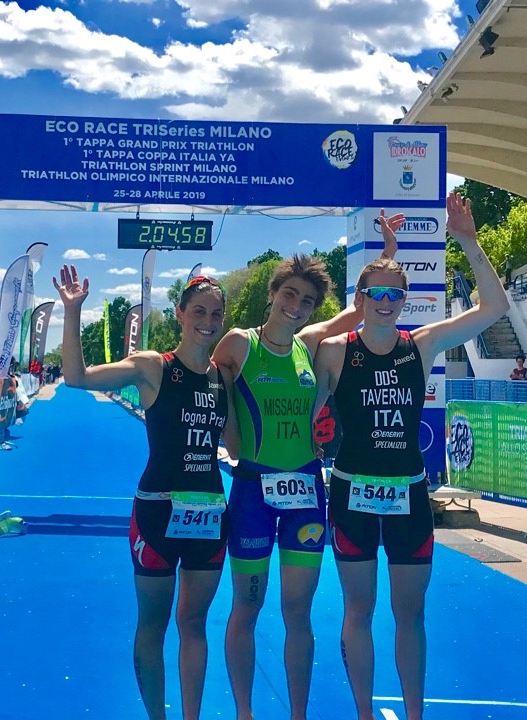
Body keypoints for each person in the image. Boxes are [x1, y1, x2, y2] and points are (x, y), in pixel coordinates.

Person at [312, 192, 508, 720]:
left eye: (394, 293)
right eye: (375, 292)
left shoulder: (420, 345)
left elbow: (494, 309)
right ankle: (363, 713)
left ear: (405, 299)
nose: (385, 301)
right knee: (358, 609)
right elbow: (305, 409)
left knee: (411, 614)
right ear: (360, 298)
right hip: (351, 495)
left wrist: (468, 241)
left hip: (409, 498)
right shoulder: (333, 352)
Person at [211, 208, 402, 720]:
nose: (296, 307)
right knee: (247, 606)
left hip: (306, 493)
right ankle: (245, 713)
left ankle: (297, 714)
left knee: (298, 612)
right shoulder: (239, 344)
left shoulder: (309, 345)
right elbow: (198, 381)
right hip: (251, 490)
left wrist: (389, 253)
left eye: (308, 301)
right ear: (273, 293)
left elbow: (362, 311)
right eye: (290, 295)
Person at [55, 266, 236, 720]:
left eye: (216, 313)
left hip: (210, 515)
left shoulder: (224, 378)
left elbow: (236, 444)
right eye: (198, 311)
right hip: (157, 515)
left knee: (194, 624)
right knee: (153, 625)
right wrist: (72, 312)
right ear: (180, 314)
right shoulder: (153, 367)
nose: (207, 321)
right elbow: (77, 377)